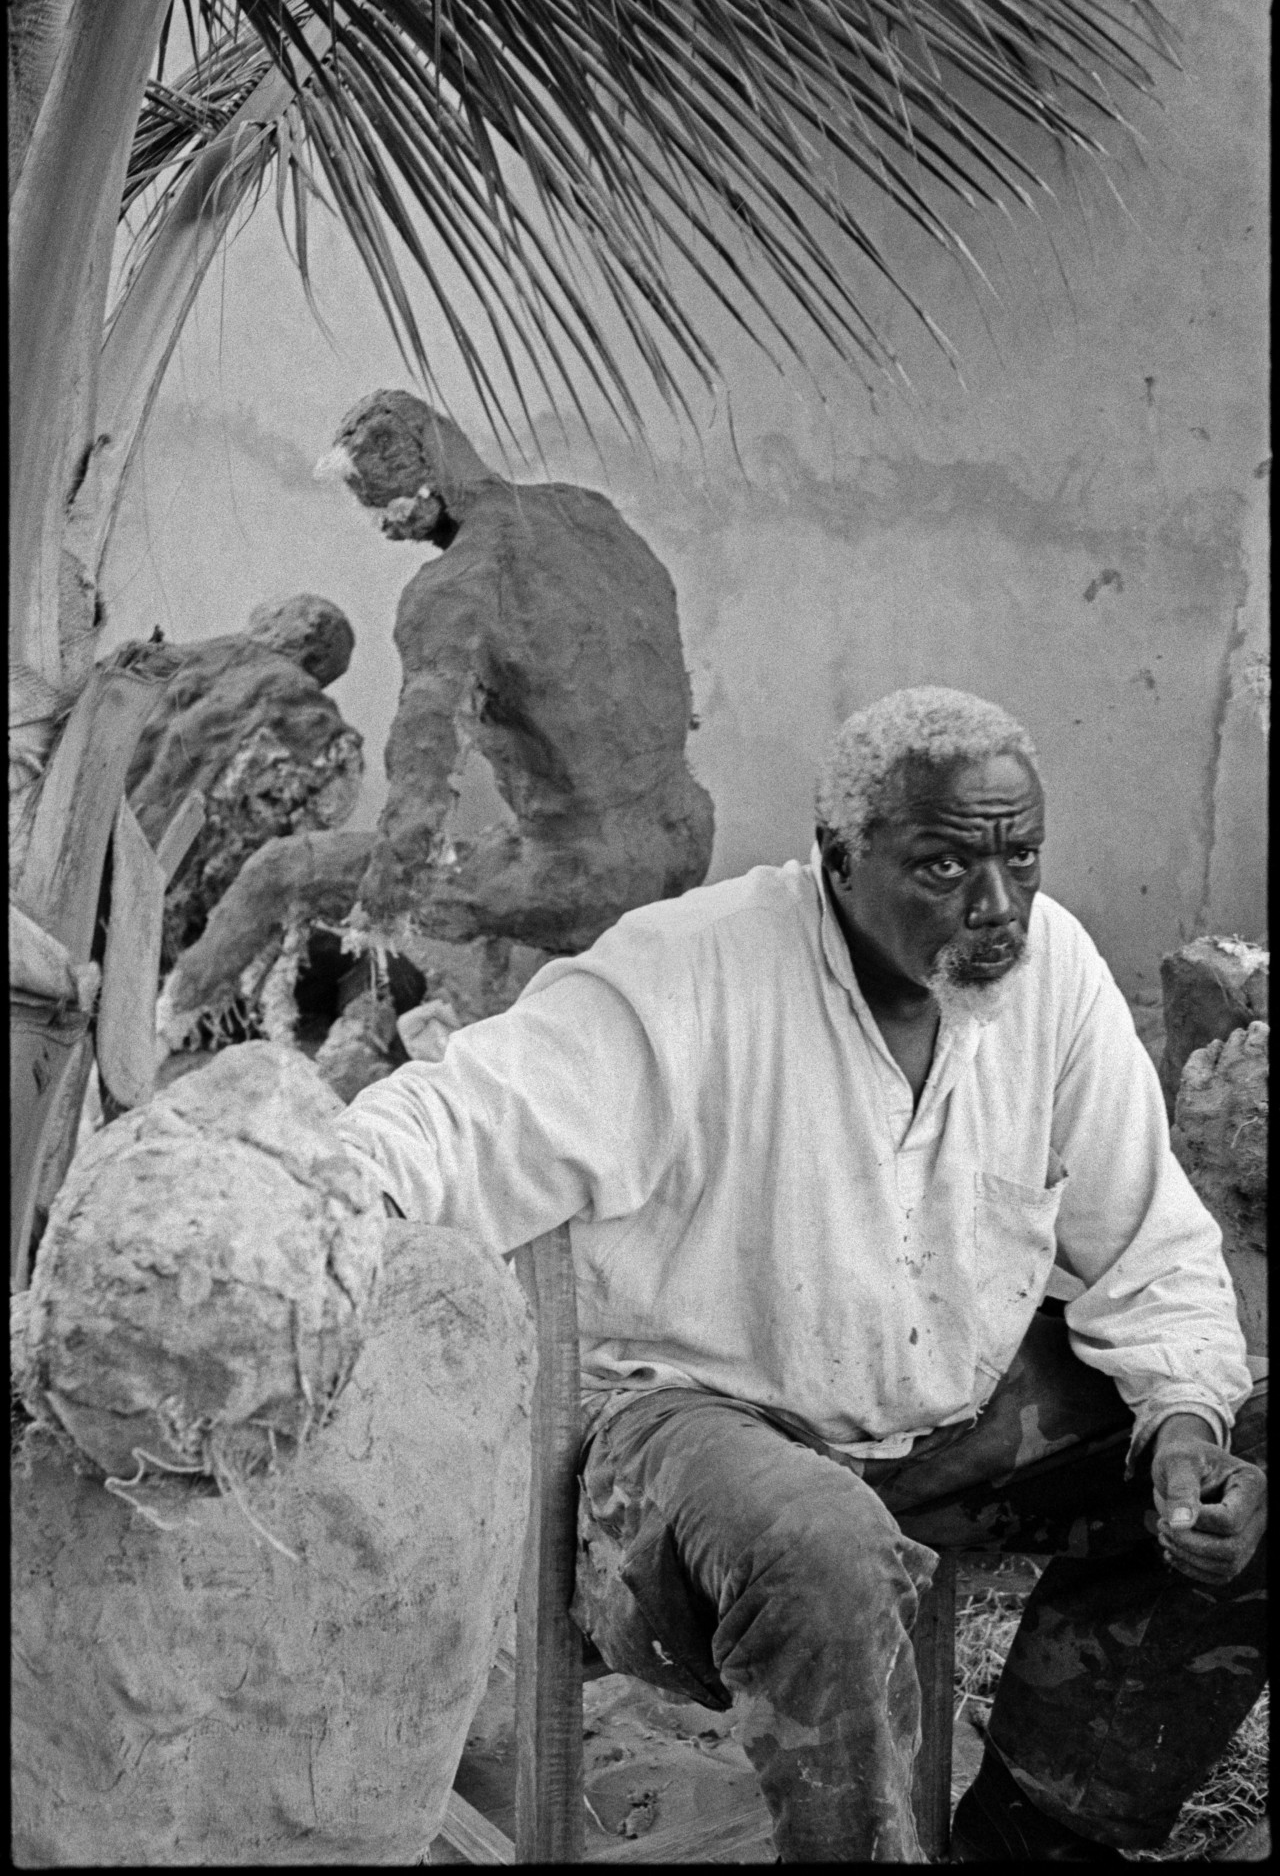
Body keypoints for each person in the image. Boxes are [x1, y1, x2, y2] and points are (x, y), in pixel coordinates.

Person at [335, 684, 1267, 1862]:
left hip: (937, 1425)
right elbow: (451, 1127)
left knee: (1252, 1449)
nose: (994, 909)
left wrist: (1183, 1422)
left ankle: (1030, 1833)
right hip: (685, 1436)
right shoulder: (688, 970)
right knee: (821, 1550)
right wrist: (287, 1206)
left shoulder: (1053, 975)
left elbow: (1150, 1242)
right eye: (940, 867)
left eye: (1018, 861)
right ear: (837, 855)